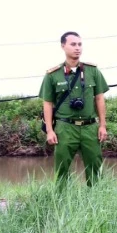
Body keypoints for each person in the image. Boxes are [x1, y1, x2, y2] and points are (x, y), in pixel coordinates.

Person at [39, 31, 109, 187]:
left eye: (79, 44)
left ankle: (96, 204)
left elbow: (99, 99)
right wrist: (50, 130)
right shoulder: (53, 75)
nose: (77, 48)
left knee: (95, 169)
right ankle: (62, 203)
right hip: (65, 127)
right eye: (73, 44)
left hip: (90, 127)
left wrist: (103, 125)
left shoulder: (93, 71)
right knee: (62, 169)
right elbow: (47, 104)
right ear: (63, 46)